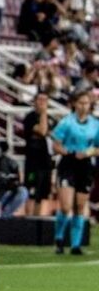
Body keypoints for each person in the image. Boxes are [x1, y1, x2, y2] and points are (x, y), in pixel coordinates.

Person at [50, 89, 99, 255]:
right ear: (74, 104)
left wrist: (88, 152)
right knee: (65, 206)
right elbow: (56, 144)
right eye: (81, 103)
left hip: (85, 165)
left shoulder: (95, 124)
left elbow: (97, 148)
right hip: (68, 163)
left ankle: (75, 245)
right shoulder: (67, 122)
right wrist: (66, 151)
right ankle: (59, 238)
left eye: (86, 103)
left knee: (80, 205)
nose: (84, 106)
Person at [21, 91, 52, 217]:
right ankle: (29, 220)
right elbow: (43, 131)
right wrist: (44, 113)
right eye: (40, 100)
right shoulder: (30, 118)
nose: (43, 103)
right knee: (31, 193)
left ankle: (37, 220)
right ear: (34, 102)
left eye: (45, 100)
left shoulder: (50, 119)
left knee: (41, 196)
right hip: (33, 163)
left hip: (46, 162)